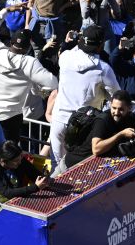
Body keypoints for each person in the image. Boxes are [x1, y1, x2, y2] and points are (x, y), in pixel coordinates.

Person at [0, 7, 58, 140]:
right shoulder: (29, 63)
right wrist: (38, 90)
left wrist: (6, 10)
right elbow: (53, 82)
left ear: (10, 42)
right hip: (11, 118)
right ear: (28, 48)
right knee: (8, 155)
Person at [48, 26, 119, 167]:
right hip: (84, 126)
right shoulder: (103, 69)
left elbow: (67, 51)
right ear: (100, 46)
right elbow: (116, 96)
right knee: (79, 169)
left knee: (56, 166)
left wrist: (74, 41)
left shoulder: (65, 57)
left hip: (59, 121)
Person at [0, 140, 50, 232]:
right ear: (3, 161)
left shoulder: (19, 160)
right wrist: (35, 187)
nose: (20, 162)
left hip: (13, 211)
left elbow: (34, 173)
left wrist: (44, 178)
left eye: (20, 158)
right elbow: (7, 192)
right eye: (16, 161)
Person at [89, 90, 135, 159]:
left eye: (121, 109)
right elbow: (96, 150)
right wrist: (121, 134)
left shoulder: (131, 117)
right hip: (84, 159)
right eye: (114, 108)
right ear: (110, 105)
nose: (116, 112)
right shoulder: (102, 120)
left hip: (110, 159)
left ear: (129, 108)